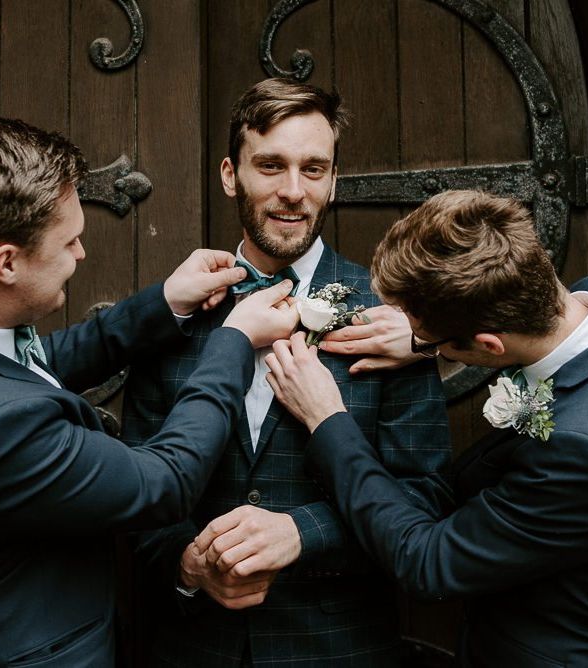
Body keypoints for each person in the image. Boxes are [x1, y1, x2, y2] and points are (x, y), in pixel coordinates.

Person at [0, 115, 299, 668]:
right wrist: (233, 341)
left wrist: (166, 301)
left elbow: (34, 367)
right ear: (7, 263)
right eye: (69, 241)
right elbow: (165, 481)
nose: (83, 254)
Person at [120, 78, 451, 666]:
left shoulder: (392, 319)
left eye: (313, 169)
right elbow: (134, 496)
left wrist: (304, 533)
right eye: (271, 166)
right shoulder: (171, 313)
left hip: (338, 646)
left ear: (333, 179)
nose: (293, 191)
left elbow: (423, 496)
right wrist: (187, 563)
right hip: (191, 646)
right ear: (230, 175)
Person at [253, 189, 588, 667]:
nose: (417, 343)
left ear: (489, 346)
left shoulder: (586, 451)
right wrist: (426, 340)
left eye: (429, 342)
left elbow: (428, 562)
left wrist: (327, 418)